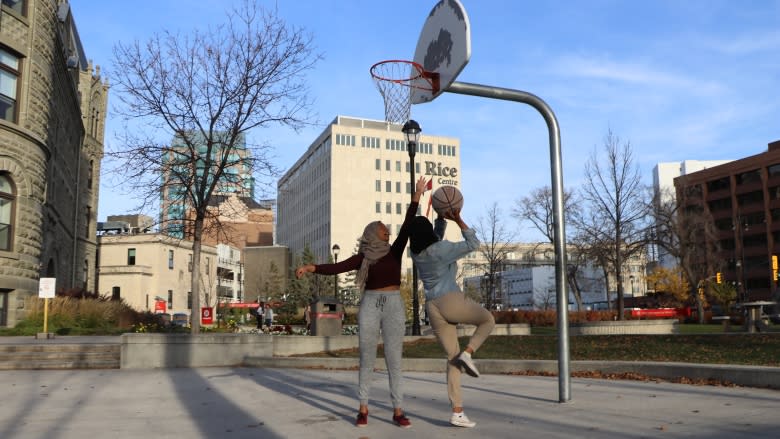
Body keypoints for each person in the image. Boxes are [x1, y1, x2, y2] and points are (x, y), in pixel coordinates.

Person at [295, 176, 428, 429]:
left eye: (387, 228)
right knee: (367, 357)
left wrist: (417, 196)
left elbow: (408, 224)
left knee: (393, 359)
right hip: (370, 303)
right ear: (371, 233)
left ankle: (398, 410)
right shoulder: (363, 258)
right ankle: (363, 408)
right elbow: (337, 267)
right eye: (382, 228)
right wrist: (311, 267)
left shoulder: (394, 250)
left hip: (393, 304)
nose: (387, 230)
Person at [409, 208, 495, 428]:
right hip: (450, 300)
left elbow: (433, 238)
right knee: (487, 320)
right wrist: (458, 219)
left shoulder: (416, 252)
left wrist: (439, 221)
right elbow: (473, 244)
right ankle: (469, 353)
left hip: (432, 307)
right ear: (428, 233)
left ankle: (457, 412)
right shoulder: (442, 249)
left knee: (451, 357)